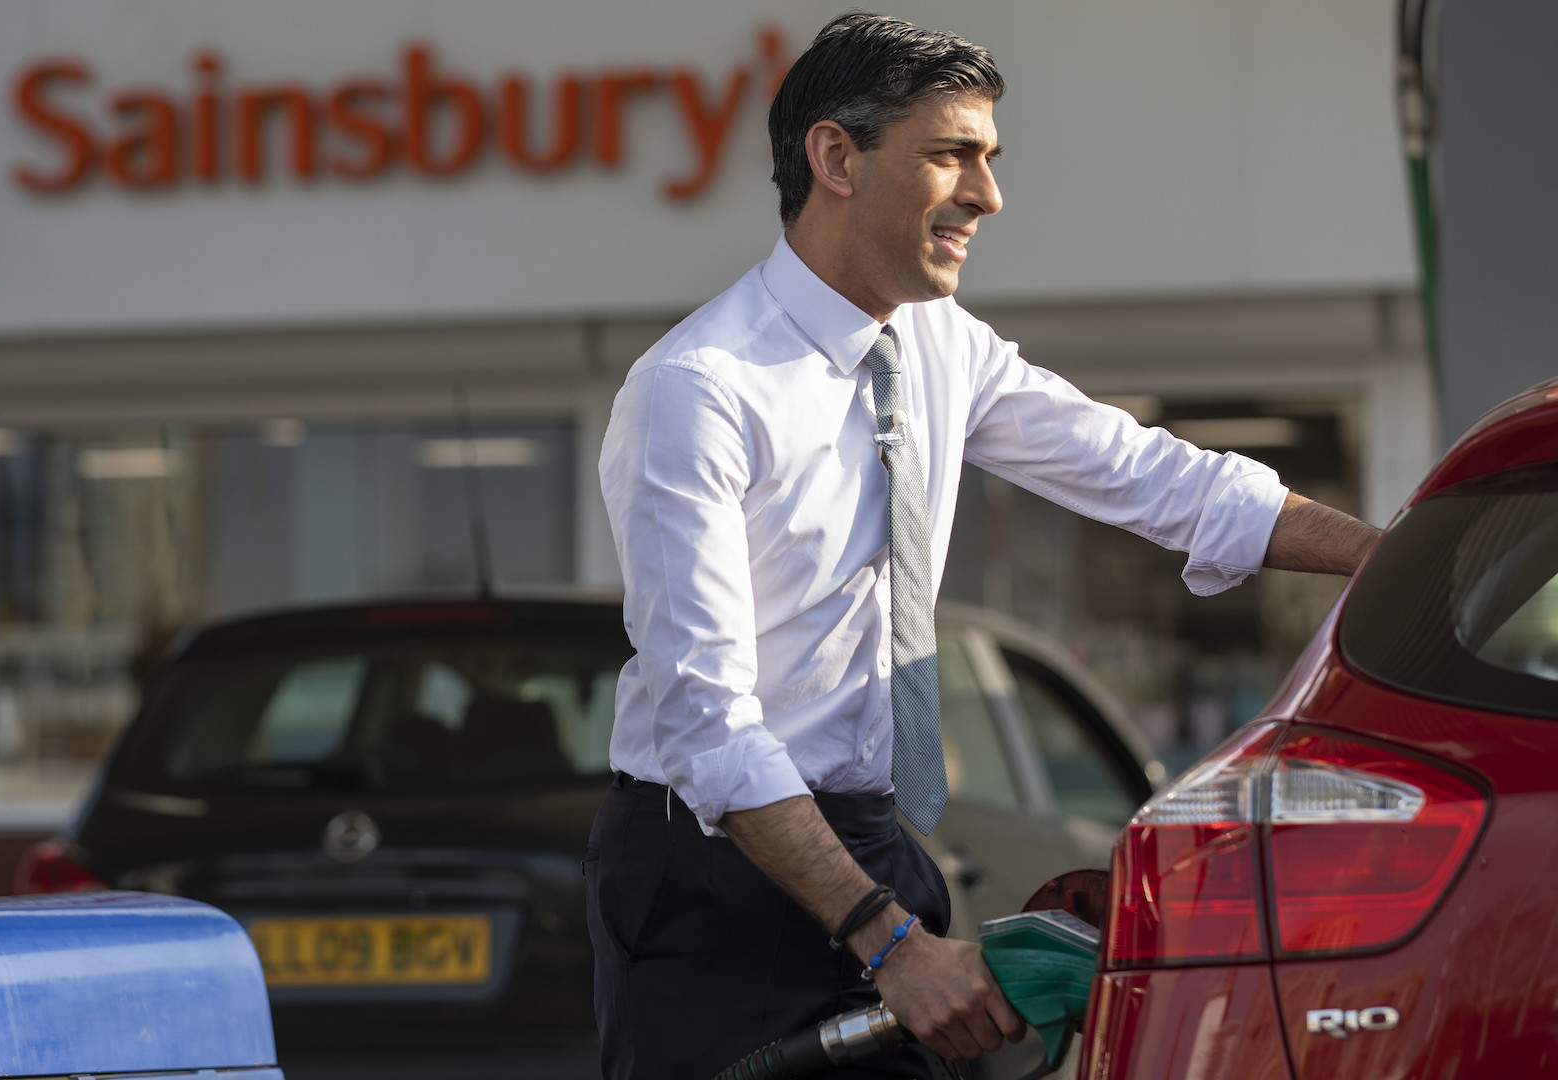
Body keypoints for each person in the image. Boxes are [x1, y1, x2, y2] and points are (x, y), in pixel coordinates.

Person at [587, 13, 1379, 1080]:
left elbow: (1161, 480)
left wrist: (1416, 564)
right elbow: (710, 726)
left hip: (870, 846)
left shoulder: (935, 343)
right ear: (835, 158)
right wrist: (893, 941)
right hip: (717, 878)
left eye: (989, 159)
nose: (987, 195)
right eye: (950, 154)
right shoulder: (699, 390)